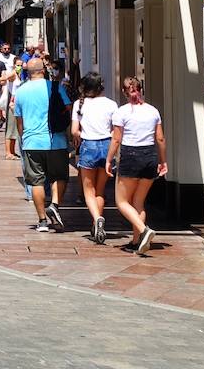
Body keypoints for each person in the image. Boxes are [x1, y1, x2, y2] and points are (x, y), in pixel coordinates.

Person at [107, 77, 167, 255]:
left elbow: (117, 139)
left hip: (131, 155)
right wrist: (163, 161)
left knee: (122, 201)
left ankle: (143, 230)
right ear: (142, 89)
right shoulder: (153, 111)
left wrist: (109, 159)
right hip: (150, 156)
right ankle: (136, 241)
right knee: (139, 202)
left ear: (125, 92)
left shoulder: (122, 112)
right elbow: (160, 139)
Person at [13, 57, 71, 233]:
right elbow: (68, 108)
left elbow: (19, 120)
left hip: (32, 142)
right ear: (43, 70)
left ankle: (42, 221)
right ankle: (54, 205)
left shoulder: (21, 91)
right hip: (56, 140)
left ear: (27, 72)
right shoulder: (55, 87)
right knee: (59, 177)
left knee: (36, 181)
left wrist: (24, 138)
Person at [72, 73, 117, 245]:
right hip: (106, 146)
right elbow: (115, 130)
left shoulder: (79, 104)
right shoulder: (111, 104)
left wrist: (82, 136)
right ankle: (96, 223)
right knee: (100, 190)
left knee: (88, 190)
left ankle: (97, 219)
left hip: (89, 145)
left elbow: (75, 131)